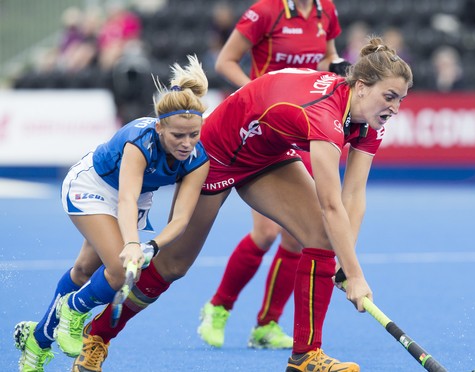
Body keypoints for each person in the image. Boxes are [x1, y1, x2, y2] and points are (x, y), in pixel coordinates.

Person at [75, 36, 413, 371]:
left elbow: (354, 195)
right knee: (173, 266)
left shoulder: (370, 123)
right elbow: (332, 204)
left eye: (400, 99)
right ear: (362, 86)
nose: (395, 108)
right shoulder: (325, 116)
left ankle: (306, 357)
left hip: (268, 152)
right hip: (218, 150)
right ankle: (98, 336)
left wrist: (343, 260)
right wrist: (354, 274)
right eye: (390, 96)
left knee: (323, 238)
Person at [13, 55, 210, 372]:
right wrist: (131, 244)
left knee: (82, 272)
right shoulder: (140, 140)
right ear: (160, 127)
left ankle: (37, 343)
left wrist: (150, 247)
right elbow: (127, 198)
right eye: (178, 136)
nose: (187, 144)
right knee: (119, 274)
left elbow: (181, 220)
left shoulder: (198, 159)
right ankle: (75, 309)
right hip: (94, 187)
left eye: (194, 134)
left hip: (131, 197)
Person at [197, 0, 351, 350]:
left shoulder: (326, 9)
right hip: (261, 123)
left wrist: (339, 71)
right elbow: (225, 61)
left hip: (306, 125)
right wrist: (259, 89)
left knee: (298, 236)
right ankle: (219, 306)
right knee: (265, 232)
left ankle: (267, 324)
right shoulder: (266, 10)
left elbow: (328, 57)